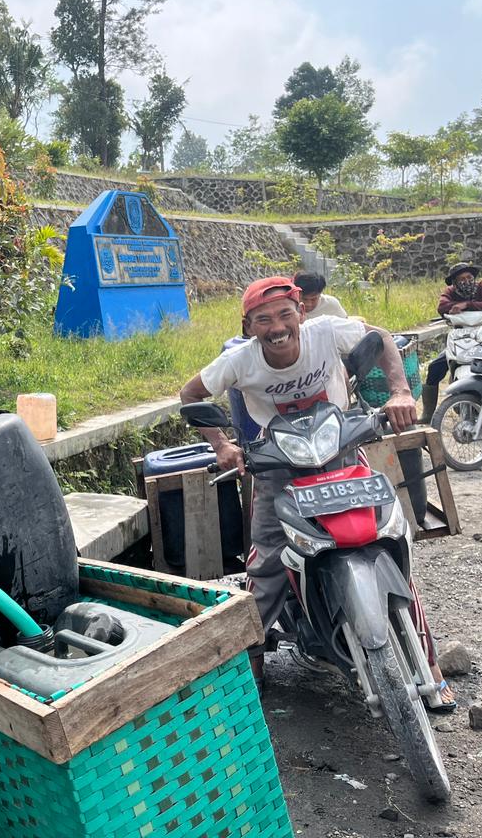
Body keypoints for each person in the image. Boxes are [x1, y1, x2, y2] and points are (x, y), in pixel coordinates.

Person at [179, 276, 455, 708]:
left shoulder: (326, 333)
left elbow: (379, 338)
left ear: (301, 314)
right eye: (264, 319)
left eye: (285, 314)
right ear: (249, 325)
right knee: (269, 563)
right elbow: (191, 393)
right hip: (278, 468)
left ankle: (429, 665)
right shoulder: (240, 361)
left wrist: (400, 391)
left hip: (341, 454)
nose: (277, 326)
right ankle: (251, 662)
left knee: (389, 544)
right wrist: (223, 445)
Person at [419, 262, 482, 423]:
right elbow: (442, 307)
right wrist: (454, 306)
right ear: (455, 282)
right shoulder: (450, 292)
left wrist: (467, 305)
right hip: (461, 339)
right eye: (461, 279)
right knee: (435, 367)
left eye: (469, 277)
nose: (466, 281)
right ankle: (428, 413)